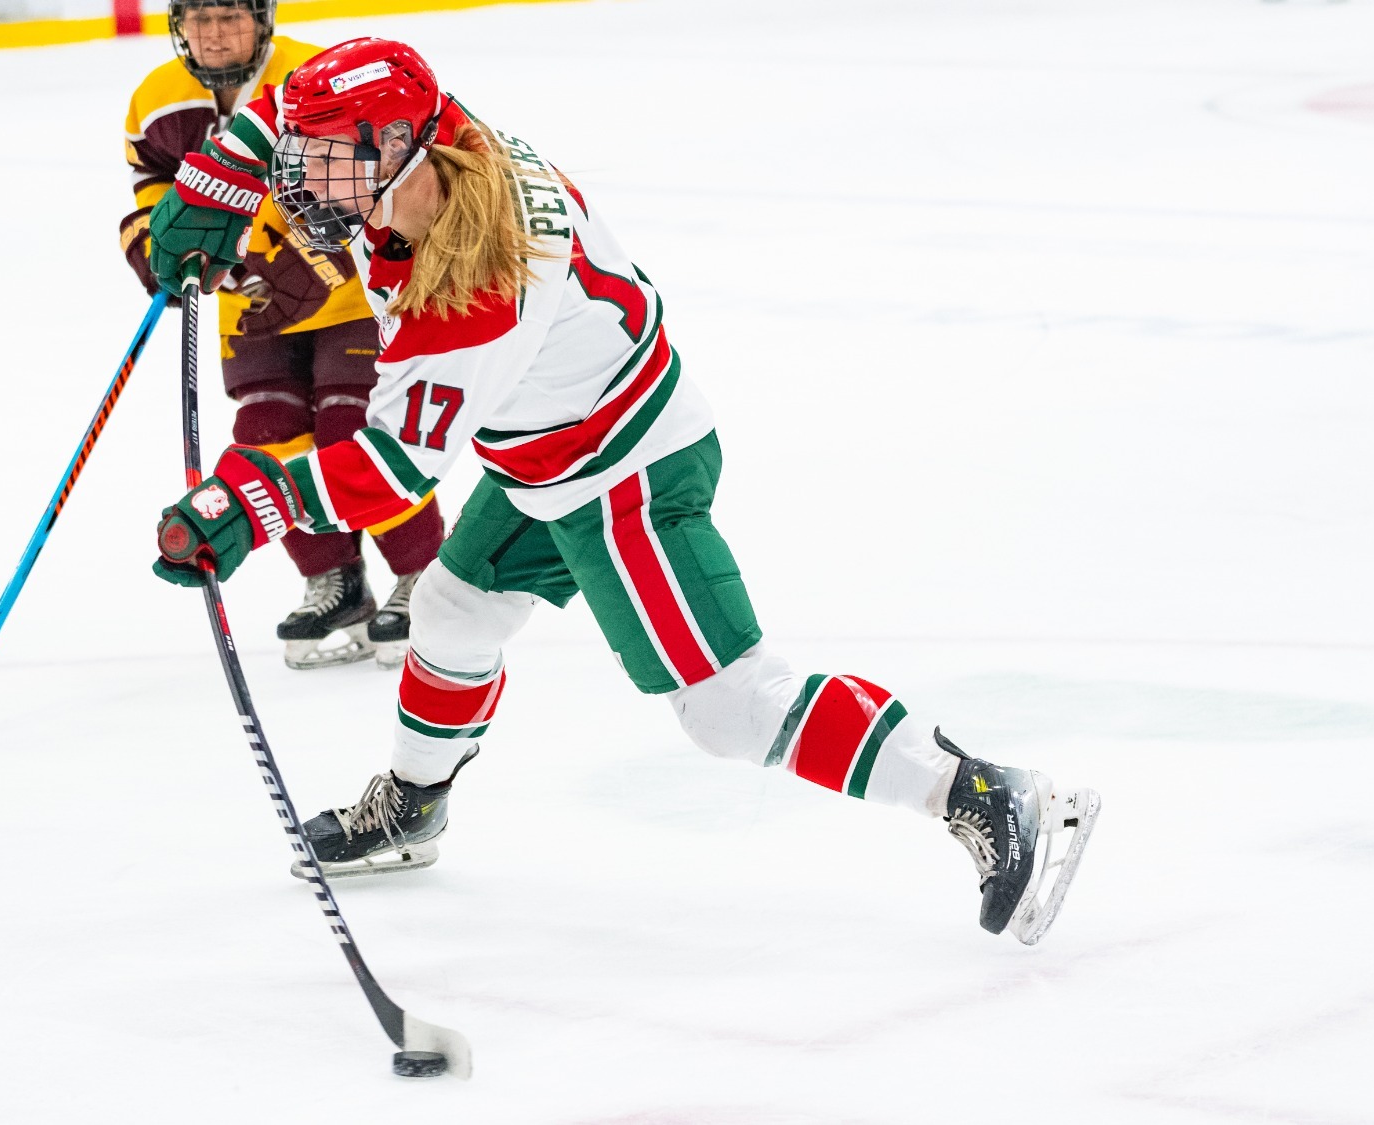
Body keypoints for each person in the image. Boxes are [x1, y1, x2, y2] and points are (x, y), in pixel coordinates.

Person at [141, 39, 1101, 943]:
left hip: (622, 470)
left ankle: (981, 793)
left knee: (731, 708)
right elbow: (293, 99)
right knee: (452, 612)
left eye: (328, 160)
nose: (306, 180)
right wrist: (226, 174)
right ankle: (414, 802)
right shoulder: (436, 137)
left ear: (397, 150)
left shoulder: (479, 287)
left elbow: (390, 470)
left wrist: (247, 502)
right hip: (544, 446)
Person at [119, 1, 443, 669]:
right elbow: (150, 190)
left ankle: (423, 575)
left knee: (351, 432)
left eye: (229, 17)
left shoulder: (314, 75)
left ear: (262, 19)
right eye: (199, 20)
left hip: (350, 293)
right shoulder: (155, 101)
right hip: (253, 306)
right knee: (269, 435)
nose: (213, 35)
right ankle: (336, 581)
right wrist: (159, 252)